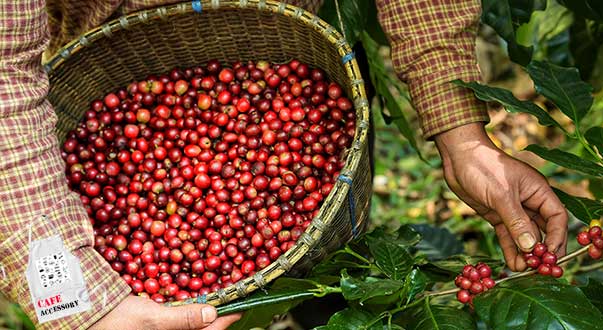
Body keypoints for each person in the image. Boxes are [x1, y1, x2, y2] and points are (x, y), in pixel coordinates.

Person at [0, 0, 568, 328]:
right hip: (106, 44)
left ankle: (318, 308)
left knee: (331, 266)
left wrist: (461, 133)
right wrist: (81, 307)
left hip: (290, 38)